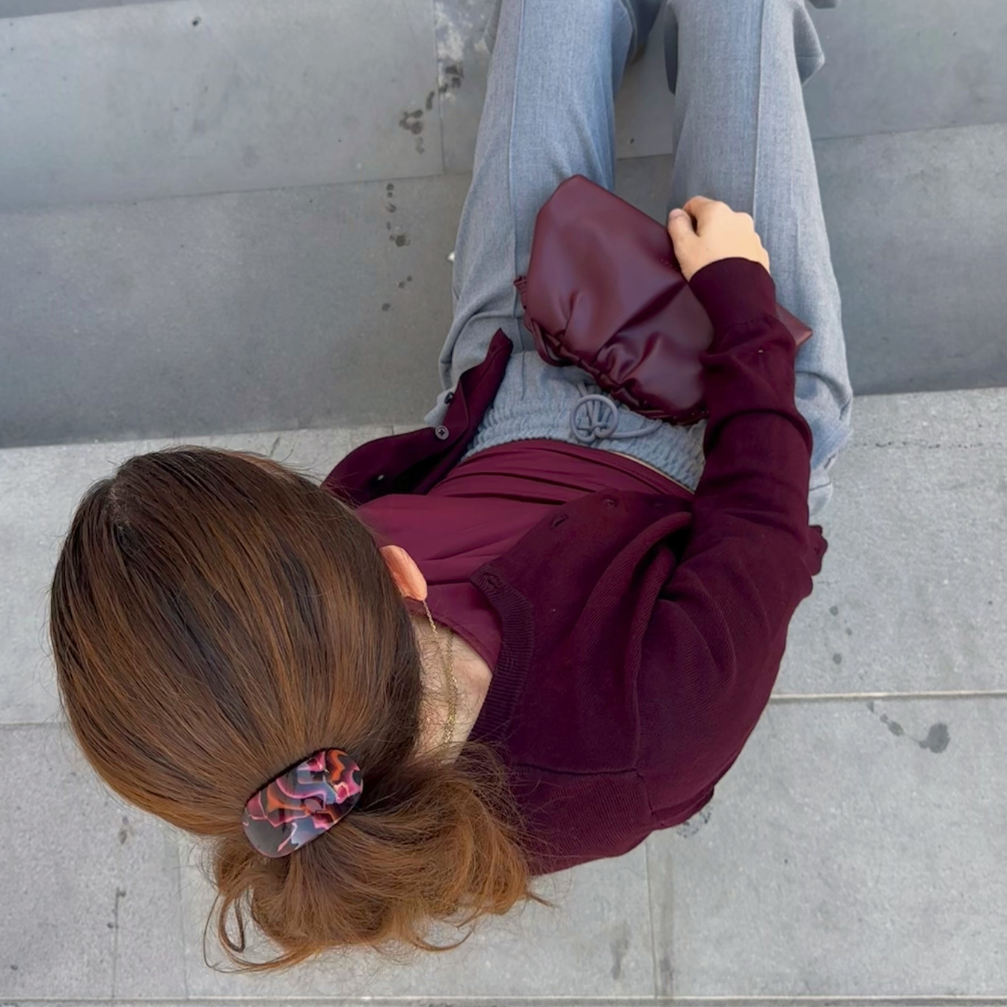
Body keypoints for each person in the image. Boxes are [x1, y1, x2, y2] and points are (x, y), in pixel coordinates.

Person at [48, 0, 853, 973]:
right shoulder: (650, 729)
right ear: (395, 571)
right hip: (723, 442)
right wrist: (737, 298)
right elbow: (761, 526)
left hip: (512, 390)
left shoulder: (301, 748)